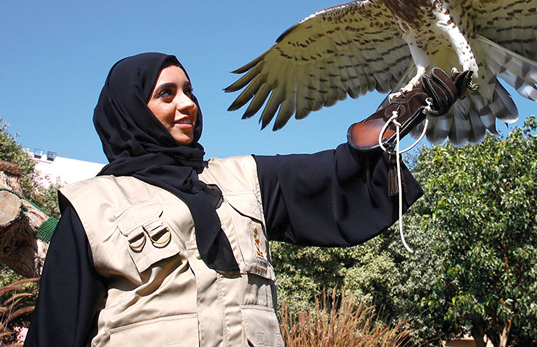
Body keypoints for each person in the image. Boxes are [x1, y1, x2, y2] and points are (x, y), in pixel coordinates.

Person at [24, 52, 467, 347]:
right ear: (131, 110)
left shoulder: (241, 179)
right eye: (166, 94)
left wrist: (398, 114)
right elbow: (55, 332)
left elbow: (334, 173)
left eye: (189, 91)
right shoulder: (92, 206)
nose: (187, 104)